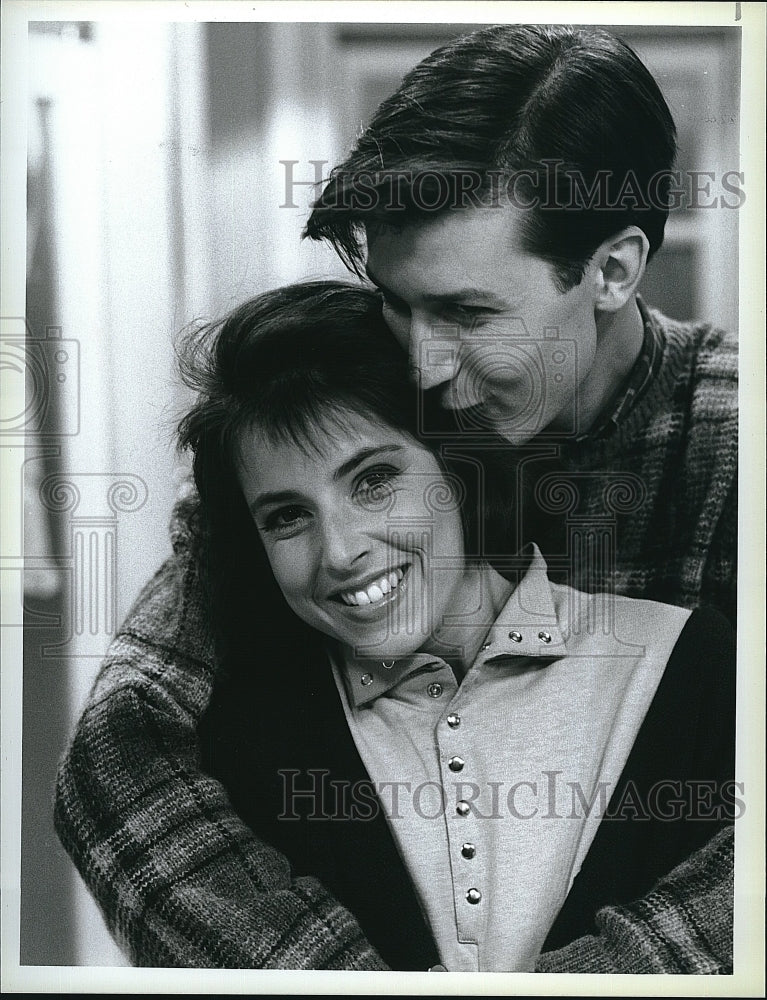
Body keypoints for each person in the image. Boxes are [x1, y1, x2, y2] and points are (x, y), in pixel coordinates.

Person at [55, 24, 738, 971]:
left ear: (613, 271)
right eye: (395, 300)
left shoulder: (735, 450)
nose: (420, 361)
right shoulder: (361, 412)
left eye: (466, 312)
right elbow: (118, 753)